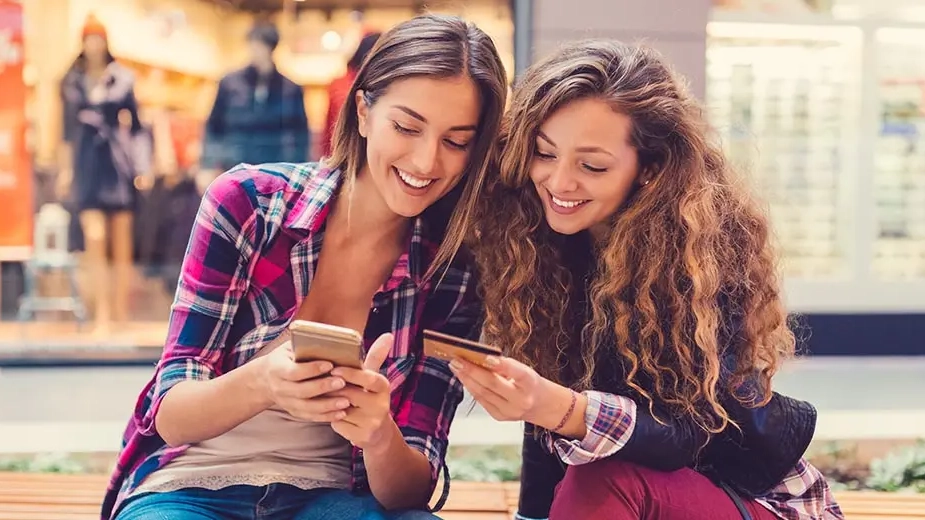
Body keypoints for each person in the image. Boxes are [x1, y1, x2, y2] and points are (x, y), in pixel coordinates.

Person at [102, 14, 508, 520]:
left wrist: (380, 434)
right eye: (406, 127)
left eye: (456, 141)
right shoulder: (247, 205)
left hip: (334, 497)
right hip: (190, 486)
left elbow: (409, 492)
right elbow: (169, 413)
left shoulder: (451, 271)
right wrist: (264, 382)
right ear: (362, 111)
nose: (427, 161)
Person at [458, 40, 844, 520]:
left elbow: (690, 434)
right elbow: (548, 434)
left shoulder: (697, 259)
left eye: (591, 165)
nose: (558, 182)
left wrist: (559, 408)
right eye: (544, 153)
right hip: (643, 502)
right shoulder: (545, 247)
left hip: (757, 501)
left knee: (601, 475)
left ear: (650, 168)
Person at [58, 13, 146, 332]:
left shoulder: (122, 77)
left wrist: (141, 165)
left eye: (98, 38)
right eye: (88, 38)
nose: (93, 44)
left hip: (117, 164)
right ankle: (101, 313)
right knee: (94, 239)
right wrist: (65, 169)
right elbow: (65, 130)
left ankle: (121, 311)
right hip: (85, 163)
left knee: (120, 243)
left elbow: (137, 127)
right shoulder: (71, 79)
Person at [201, 21, 309, 171]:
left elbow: (300, 135)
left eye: (260, 46)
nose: (255, 51)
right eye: (252, 45)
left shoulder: (291, 89)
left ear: (271, 48)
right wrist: (207, 165)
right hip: (234, 165)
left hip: (274, 168)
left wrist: (299, 169)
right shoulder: (229, 83)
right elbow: (214, 126)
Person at [321, 31, 382, 158]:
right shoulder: (342, 86)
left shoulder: (338, 83)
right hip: (348, 153)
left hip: (342, 152)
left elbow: (328, 128)